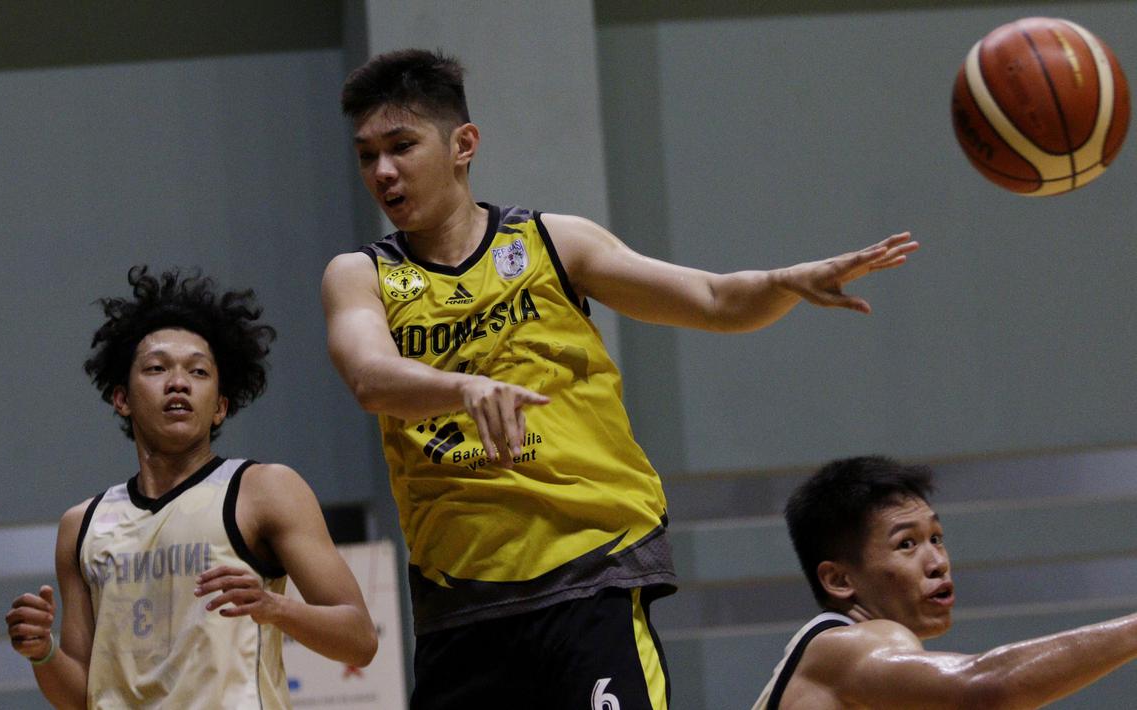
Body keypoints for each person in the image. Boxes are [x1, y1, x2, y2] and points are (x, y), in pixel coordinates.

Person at [322, 48, 917, 710]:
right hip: (462, 601)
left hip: (590, 574)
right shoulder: (361, 274)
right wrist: (463, 388)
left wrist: (785, 282)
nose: (382, 171)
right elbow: (369, 377)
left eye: (401, 146)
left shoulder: (554, 244)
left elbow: (713, 300)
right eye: (367, 155)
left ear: (463, 145)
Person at [5, 266, 377, 709]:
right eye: (157, 368)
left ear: (220, 406)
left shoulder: (264, 491)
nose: (178, 382)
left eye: (198, 371)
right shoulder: (81, 525)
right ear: (121, 398)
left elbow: (360, 639)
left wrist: (274, 608)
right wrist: (43, 651)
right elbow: (84, 697)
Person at [755, 455, 1137, 709]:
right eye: (906, 544)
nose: (938, 563)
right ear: (839, 579)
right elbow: (985, 687)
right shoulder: (847, 646)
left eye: (936, 538)